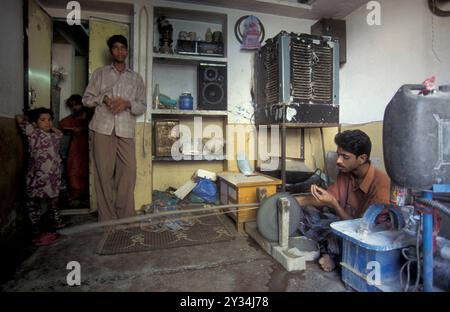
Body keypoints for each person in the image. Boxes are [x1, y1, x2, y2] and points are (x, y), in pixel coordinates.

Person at [296, 130, 391, 271]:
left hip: (365, 234)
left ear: (362, 158)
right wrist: (296, 201)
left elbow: (360, 230)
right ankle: (328, 248)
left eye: (345, 157)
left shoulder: (381, 185)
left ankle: (331, 254)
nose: (338, 161)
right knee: (305, 213)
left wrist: (334, 203)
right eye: (338, 155)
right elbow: (328, 197)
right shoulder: (347, 172)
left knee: (334, 234)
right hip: (343, 222)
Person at [82, 34, 146, 222]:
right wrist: (103, 98)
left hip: (126, 129)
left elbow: (142, 106)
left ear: (127, 51)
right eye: (116, 48)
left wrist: (127, 104)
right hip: (102, 128)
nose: (120, 51)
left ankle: (125, 216)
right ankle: (107, 218)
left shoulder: (136, 78)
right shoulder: (100, 73)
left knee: (128, 173)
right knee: (104, 173)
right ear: (111, 51)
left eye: (123, 48)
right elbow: (86, 99)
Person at [16, 108, 65, 246]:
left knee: (54, 200)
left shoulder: (55, 135)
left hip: (52, 174)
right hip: (36, 174)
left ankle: (56, 223)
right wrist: (31, 121)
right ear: (35, 122)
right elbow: (18, 118)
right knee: (33, 201)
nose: (47, 122)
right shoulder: (32, 132)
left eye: (49, 120)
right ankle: (35, 229)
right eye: (42, 120)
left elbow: (60, 134)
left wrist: (51, 127)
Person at [59, 94, 92, 207]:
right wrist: (74, 129)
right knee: (74, 170)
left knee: (89, 170)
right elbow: (62, 124)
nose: (74, 108)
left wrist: (82, 129)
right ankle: (76, 195)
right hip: (76, 149)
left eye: (76, 105)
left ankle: (87, 196)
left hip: (89, 148)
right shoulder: (71, 119)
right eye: (72, 106)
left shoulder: (90, 118)